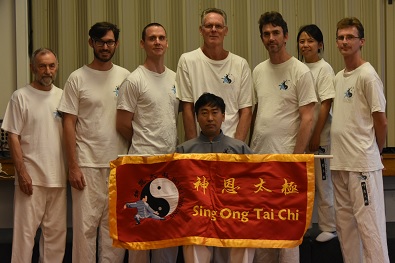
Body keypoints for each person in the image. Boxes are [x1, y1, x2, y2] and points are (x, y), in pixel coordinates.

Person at [58, 22, 130, 263]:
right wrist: (73, 166)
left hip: (118, 165)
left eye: (110, 42)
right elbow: (68, 123)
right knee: (84, 230)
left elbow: (132, 121)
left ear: (116, 44)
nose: (105, 46)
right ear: (91, 43)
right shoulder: (77, 78)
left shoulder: (125, 77)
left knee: (113, 231)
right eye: (100, 42)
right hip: (86, 165)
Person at [249, 12, 317, 263]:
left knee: (287, 228)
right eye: (266, 34)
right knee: (261, 225)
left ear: (286, 36)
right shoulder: (257, 70)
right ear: (262, 39)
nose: (271, 38)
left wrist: (295, 159)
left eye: (276, 33)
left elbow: (308, 117)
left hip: (287, 161)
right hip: (260, 158)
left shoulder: (300, 71)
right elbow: (257, 112)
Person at [116, 23, 179, 263]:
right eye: (152, 38)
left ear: (167, 42)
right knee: (141, 232)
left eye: (162, 37)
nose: (157, 42)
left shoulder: (175, 78)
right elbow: (122, 123)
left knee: (166, 231)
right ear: (143, 43)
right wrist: (145, 144)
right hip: (140, 165)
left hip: (169, 165)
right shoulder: (134, 80)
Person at [330, 17, 389, 262]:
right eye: (341, 37)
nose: (345, 41)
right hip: (339, 163)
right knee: (346, 230)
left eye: (350, 37)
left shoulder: (368, 75)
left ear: (361, 41)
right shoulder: (338, 77)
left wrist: (375, 151)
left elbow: (381, 120)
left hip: (362, 165)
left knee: (370, 228)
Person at [1, 48, 67, 262]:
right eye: (42, 66)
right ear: (32, 68)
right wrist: (22, 173)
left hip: (58, 179)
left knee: (55, 240)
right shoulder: (20, 97)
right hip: (31, 180)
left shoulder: (63, 97)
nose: (47, 71)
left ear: (56, 68)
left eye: (51, 66)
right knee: (24, 238)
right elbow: (13, 136)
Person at [176, 92, 255, 263]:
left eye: (215, 112)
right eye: (204, 113)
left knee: (245, 235)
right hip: (198, 215)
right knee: (193, 238)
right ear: (197, 117)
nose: (210, 118)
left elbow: (255, 180)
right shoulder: (184, 151)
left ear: (224, 116)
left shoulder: (239, 148)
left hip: (232, 214)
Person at [175, 7, 253, 142]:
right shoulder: (187, 61)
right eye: (209, 26)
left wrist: (236, 147)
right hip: (200, 146)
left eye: (218, 26)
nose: (213, 30)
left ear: (225, 31)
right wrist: (195, 148)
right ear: (201, 30)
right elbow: (187, 107)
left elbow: (246, 110)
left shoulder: (240, 64)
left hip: (230, 148)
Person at [297, 24, 337, 242]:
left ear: (320, 45)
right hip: (301, 139)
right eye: (302, 41)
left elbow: (326, 104)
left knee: (323, 182)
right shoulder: (298, 68)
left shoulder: (324, 69)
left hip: (320, 138)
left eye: (310, 41)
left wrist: (316, 135)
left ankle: (329, 226)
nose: (305, 45)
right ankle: (303, 226)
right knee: (303, 185)